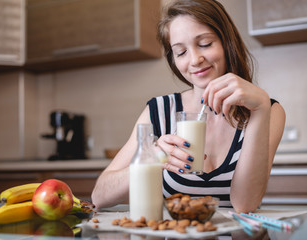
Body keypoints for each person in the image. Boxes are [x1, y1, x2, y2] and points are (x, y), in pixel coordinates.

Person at [91, 0, 285, 213]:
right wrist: (153, 158)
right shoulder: (160, 111)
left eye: (205, 44)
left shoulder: (267, 109)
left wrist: (259, 110)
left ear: (227, 42)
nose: (194, 60)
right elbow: (99, 196)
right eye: (181, 52)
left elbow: (245, 205)